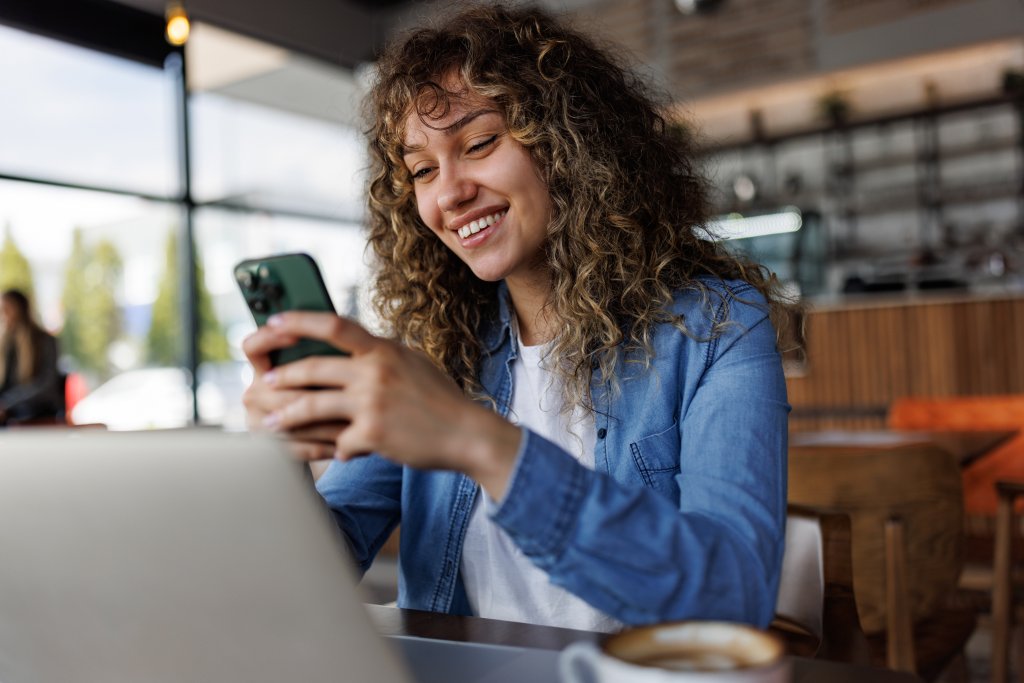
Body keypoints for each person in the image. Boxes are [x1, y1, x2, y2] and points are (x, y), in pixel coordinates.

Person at [242, 3, 791, 632]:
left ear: (571, 143)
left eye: (478, 144)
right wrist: (278, 462)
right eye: (422, 170)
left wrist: (477, 441)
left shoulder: (719, 328)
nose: (449, 194)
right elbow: (318, 567)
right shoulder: (435, 350)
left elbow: (733, 597)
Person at [0, 289, 63, 426]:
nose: (2, 314)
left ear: (20, 310)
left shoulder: (44, 341)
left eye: (6, 309)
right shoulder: (6, 345)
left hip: (36, 415)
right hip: (9, 416)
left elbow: (46, 385)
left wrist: (7, 403)